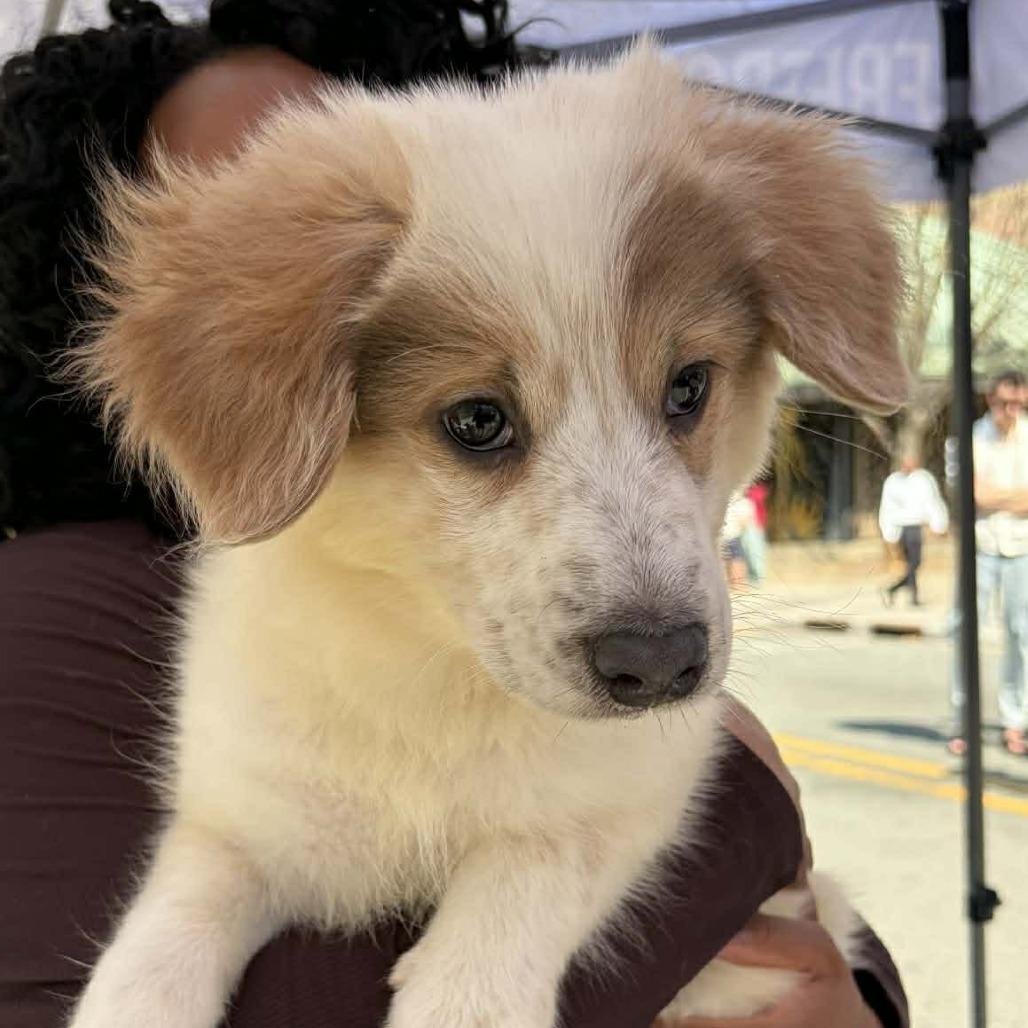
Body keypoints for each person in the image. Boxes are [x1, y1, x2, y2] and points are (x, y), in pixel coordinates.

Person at [0, 5, 907, 1027]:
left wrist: (861, 994)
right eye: (479, 422)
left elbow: (813, 958)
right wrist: (748, 802)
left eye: (683, 390)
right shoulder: (50, 610)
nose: (293, 211)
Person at [950, 370, 1028, 757]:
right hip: (981, 546)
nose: (1010, 411)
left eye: (1018, 404)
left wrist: (999, 497)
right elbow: (974, 496)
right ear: (990, 401)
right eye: (1003, 403)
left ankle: (1015, 719)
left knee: (1020, 633)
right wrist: (1013, 498)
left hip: (1021, 548)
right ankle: (964, 720)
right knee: (968, 632)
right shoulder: (973, 438)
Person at [877, 453, 948, 607]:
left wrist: (939, 524)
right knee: (911, 563)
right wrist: (888, 532)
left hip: (915, 527)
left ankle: (898, 591)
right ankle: (908, 595)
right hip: (901, 526)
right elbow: (887, 508)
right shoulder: (893, 481)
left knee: (914, 563)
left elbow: (932, 502)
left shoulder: (923, 479)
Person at [723, 491, 755, 590]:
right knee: (737, 560)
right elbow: (745, 522)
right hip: (734, 535)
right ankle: (738, 585)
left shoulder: (724, 502)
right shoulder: (743, 503)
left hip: (723, 535)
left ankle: (731, 584)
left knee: (726, 560)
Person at [742, 480, 770, 585]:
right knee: (747, 551)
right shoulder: (749, 491)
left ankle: (758, 577)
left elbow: (759, 498)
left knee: (756, 550)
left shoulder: (757, 490)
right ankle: (752, 575)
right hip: (746, 525)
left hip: (755, 525)